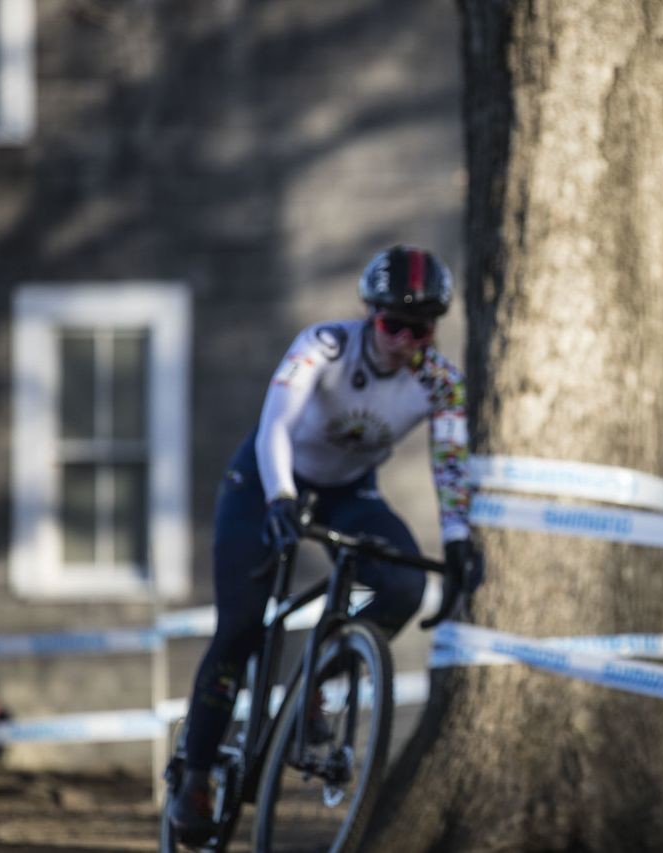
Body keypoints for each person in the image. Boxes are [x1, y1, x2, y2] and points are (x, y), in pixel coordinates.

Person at [171, 245, 476, 843]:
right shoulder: (325, 346)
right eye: (392, 324)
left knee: (404, 584)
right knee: (239, 626)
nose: (405, 340)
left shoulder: (441, 382)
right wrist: (282, 496)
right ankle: (198, 772)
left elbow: (450, 467)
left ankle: (316, 677)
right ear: (370, 315)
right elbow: (277, 424)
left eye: (422, 328)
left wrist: (460, 541)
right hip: (264, 480)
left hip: (348, 489)